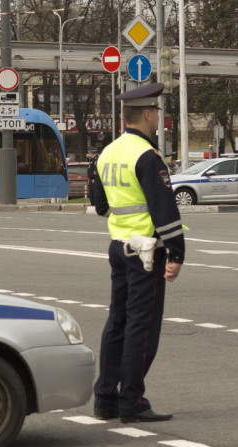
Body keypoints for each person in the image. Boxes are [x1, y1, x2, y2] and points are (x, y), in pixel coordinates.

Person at [86, 82, 185, 424]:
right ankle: (132, 401)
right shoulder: (148, 156)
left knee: (117, 322)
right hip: (146, 251)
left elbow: (100, 206)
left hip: (118, 248)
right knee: (141, 329)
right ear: (146, 114)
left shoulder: (107, 153)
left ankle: (105, 398)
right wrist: (176, 254)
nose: (159, 117)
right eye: (157, 112)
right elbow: (164, 210)